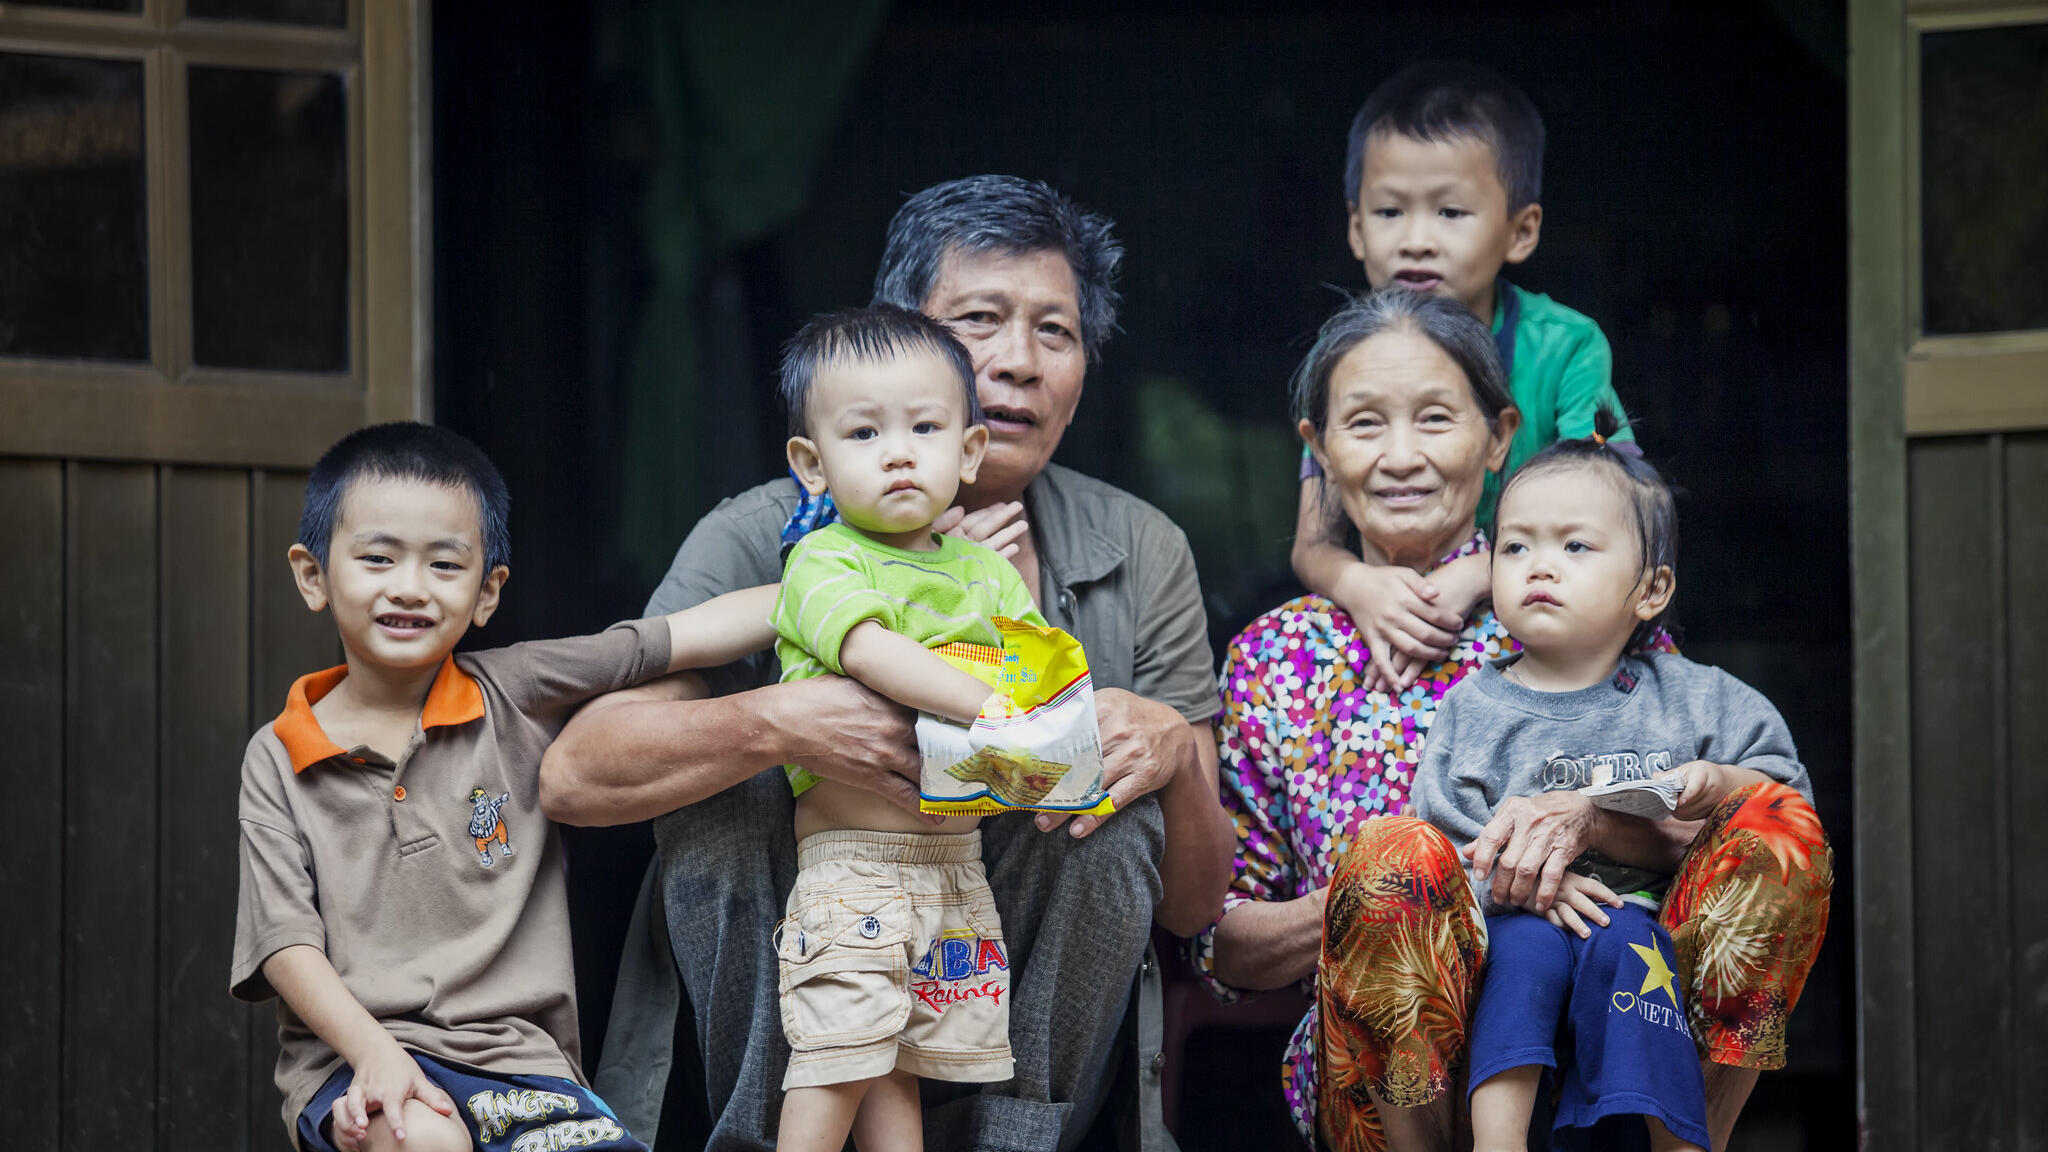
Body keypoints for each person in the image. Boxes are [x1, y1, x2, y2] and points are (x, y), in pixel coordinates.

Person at [539, 175, 1234, 1152]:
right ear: (895, 338)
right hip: (814, 992)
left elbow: (1197, 906)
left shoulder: (1136, 544)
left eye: (1055, 332)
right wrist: (775, 724)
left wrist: (1173, 751)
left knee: (1110, 823)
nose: (1018, 362)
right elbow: (575, 773)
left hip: (992, 1007)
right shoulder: (762, 536)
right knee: (718, 804)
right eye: (979, 320)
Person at [1194, 289, 1833, 1152]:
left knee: (1781, 827)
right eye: (1364, 424)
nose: (1401, 456)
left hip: (1622, 1022)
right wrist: (1423, 889)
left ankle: (1692, 1131)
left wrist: (1591, 826)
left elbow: (1725, 843)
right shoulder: (1273, 659)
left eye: (1435, 418)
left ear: (1498, 436)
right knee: (1395, 854)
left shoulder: (1586, 610)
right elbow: (1223, 939)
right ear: (1318, 450)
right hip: (1396, 1091)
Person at [229, 423, 777, 1152]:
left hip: (526, 1072)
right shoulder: (277, 756)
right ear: (313, 575)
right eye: (378, 558)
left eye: (444, 565)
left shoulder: (514, 692)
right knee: (423, 1138)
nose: (409, 588)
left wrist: (858, 590)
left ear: (488, 592)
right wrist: (373, 1053)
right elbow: (285, 945)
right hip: (357, 1061)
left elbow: (678, 637)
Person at [1414, 418, 1816, 1152]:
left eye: (1575, 546)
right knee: (1526, 952)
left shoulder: (1698, 700)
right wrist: (1523, 882)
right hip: (1515, 930)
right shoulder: (1473, 708)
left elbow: (1788, 811)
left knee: (1631, 943)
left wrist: (1721, 780)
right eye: (1515, 546)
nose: (1539, 565)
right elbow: (1438, 847)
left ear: (1651, 589)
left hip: (1645, 934)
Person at [766, 304, 1053, 1150]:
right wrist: (991, 706)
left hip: (955, 869)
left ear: (968, 452)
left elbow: (1040, 666)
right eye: (863, 434)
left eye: (925, 428)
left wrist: (1048, 721)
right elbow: (868, 652)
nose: (897, 451)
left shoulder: (986, 570)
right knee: (836, 1062)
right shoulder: (822, 561)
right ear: (811, 466)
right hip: (853, 871)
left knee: (902, 1066)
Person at [1291, 60, 1638, 696]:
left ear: (1522, 230)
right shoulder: (1342, 359)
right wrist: (1358, 585)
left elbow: (1624, 511)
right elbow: (1313, 544)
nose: (1416, 240)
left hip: (1541, 639)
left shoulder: (1565, 347)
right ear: (1356, 229)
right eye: (1391, 212)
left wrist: (1480, 572)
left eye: (1451, 213)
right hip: (1391, 632)